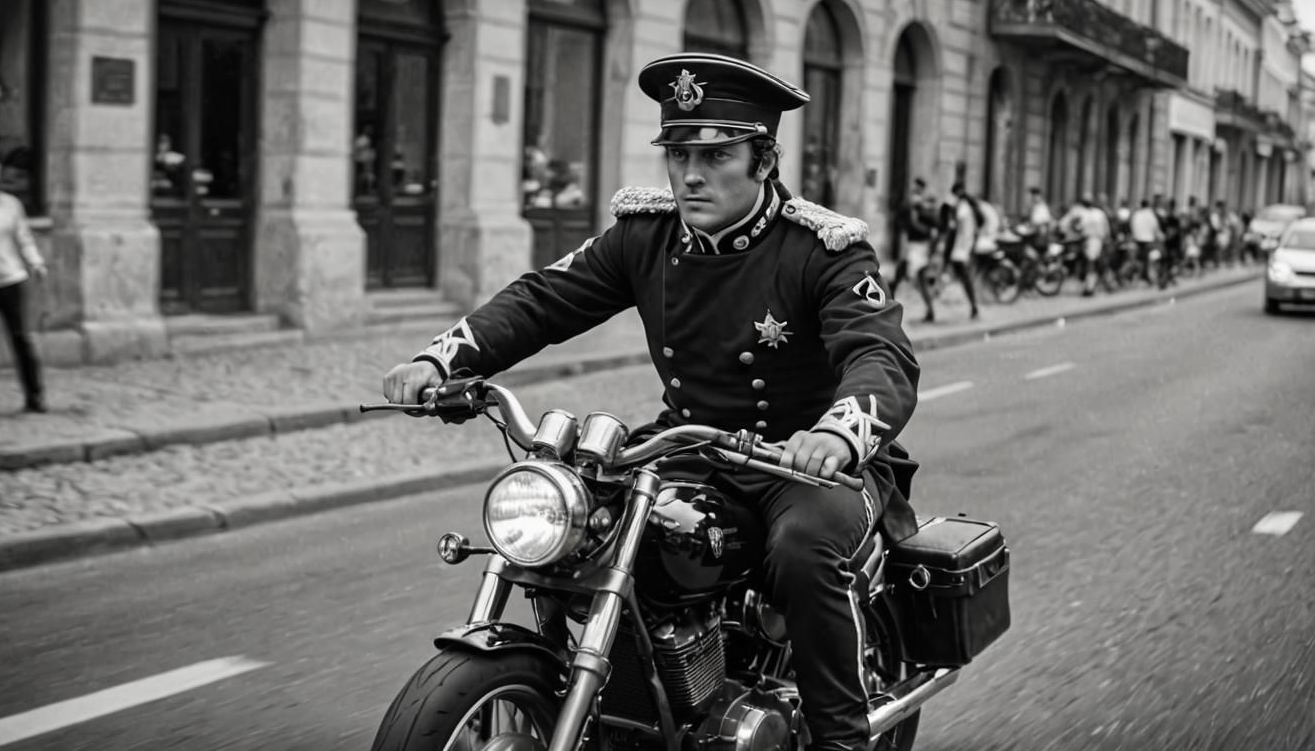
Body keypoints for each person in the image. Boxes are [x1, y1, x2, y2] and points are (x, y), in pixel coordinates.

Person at [382, 53, 921, 751]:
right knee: (584, 525)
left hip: (809, 466)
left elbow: (882, 355)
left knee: (802, 548)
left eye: (717, 154)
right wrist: (444, 357)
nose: (690, 174)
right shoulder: (646, 237)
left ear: (764, 160)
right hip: (692, 447)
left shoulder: (821, 251)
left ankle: (842, 738)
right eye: (678, 153)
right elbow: (544, 300)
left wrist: (840, 434)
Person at [0, 150, 47, 418]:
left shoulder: (11, 205)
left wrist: (35, 263)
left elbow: (23, 237)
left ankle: (35, 396)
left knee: (21, 340)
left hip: (10, 280)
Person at [888, 177, 936, 318]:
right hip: (915, 246)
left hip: (917, 247)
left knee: (904, 276)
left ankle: (891, 306)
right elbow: (907, 225)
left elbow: (916, 225)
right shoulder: (912, 206)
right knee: (906, 276)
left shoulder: (920, 207)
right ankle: (929, 310)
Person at [942, 182, 982, 320]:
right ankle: (973, 305)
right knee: (963, 277)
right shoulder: (967, 207)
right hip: (965, 247)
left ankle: (974, 306)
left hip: (961, 248)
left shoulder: (962, 209)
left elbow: (955, 231)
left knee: (964, 277)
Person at [1072, 192, 1112, 296]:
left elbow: (1077, 227)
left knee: (1091, 264)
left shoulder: (1085, 214)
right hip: (1099, 240)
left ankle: (1090, 288)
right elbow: (1107, 230)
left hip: (1090, 240)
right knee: (1096, 264)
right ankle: (1099, 285)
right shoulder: (1100, 213)